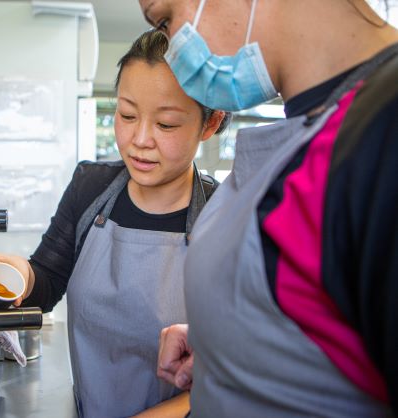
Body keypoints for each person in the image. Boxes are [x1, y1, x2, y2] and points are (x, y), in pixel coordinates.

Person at [138, 0, 398, 416]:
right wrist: (233, 339)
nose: (172, 49)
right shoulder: (310, 128)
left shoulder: (384, 129)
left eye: (166, 20)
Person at [0, 30, 230, 418]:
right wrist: (10, 272)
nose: (139, 139)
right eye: (127, 114)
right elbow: (47, 280)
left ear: (210, 123)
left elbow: (234, 375)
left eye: (166, 124)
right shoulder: (91, 188)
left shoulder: (225, 216)